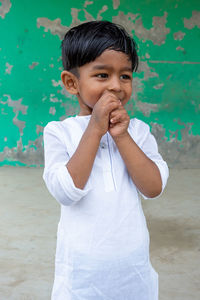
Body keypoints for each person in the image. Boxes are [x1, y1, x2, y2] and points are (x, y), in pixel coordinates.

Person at [43, 20, 169, 300]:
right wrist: (95, 128)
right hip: (82, 277)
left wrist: (122, 137)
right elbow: (65, 191)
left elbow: (153, 187)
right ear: (71, 83)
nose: (116, 86)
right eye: (102, 75)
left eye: (125, 76)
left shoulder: (138, 131)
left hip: (133, 273)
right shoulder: (59, 133)